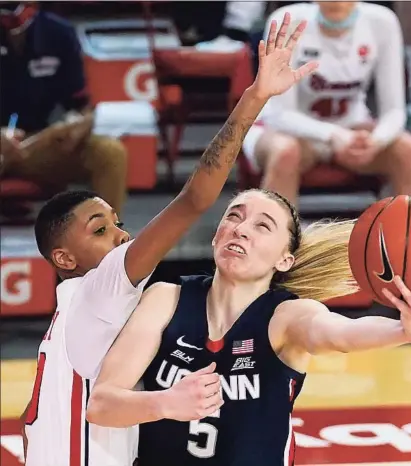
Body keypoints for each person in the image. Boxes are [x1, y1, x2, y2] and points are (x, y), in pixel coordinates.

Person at [21, 13, 317, 466]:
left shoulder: (73, 315)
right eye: (99, 231)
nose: (121, 235)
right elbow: (196, 196)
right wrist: (254, 99)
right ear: (64, 258)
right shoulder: (101, 288)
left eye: (117, 222)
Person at [87, 188, 411, 465]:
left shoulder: (286, 318)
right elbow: (101, 405)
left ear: (285, 259)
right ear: (217, 234)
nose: (241, 229)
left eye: (262, 226)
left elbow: (340, 334)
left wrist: (405, 331)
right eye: (233, 216)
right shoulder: (166, 299)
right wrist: (164, 402)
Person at [242, 1, 411, 205]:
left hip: (350, 128)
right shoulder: (287, 20)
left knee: (407, 148)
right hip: (285, 130)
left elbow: (394, 111)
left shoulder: (382, 21)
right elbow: (279, 114)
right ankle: (275, 234)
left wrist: (376, 141)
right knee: (286, 152)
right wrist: (333, 135)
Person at [0, 1, 127, 213]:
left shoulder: (58, 33)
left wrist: (77, 127)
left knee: (110, 153)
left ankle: (107, 242)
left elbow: (81, 107)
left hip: (34, 145)